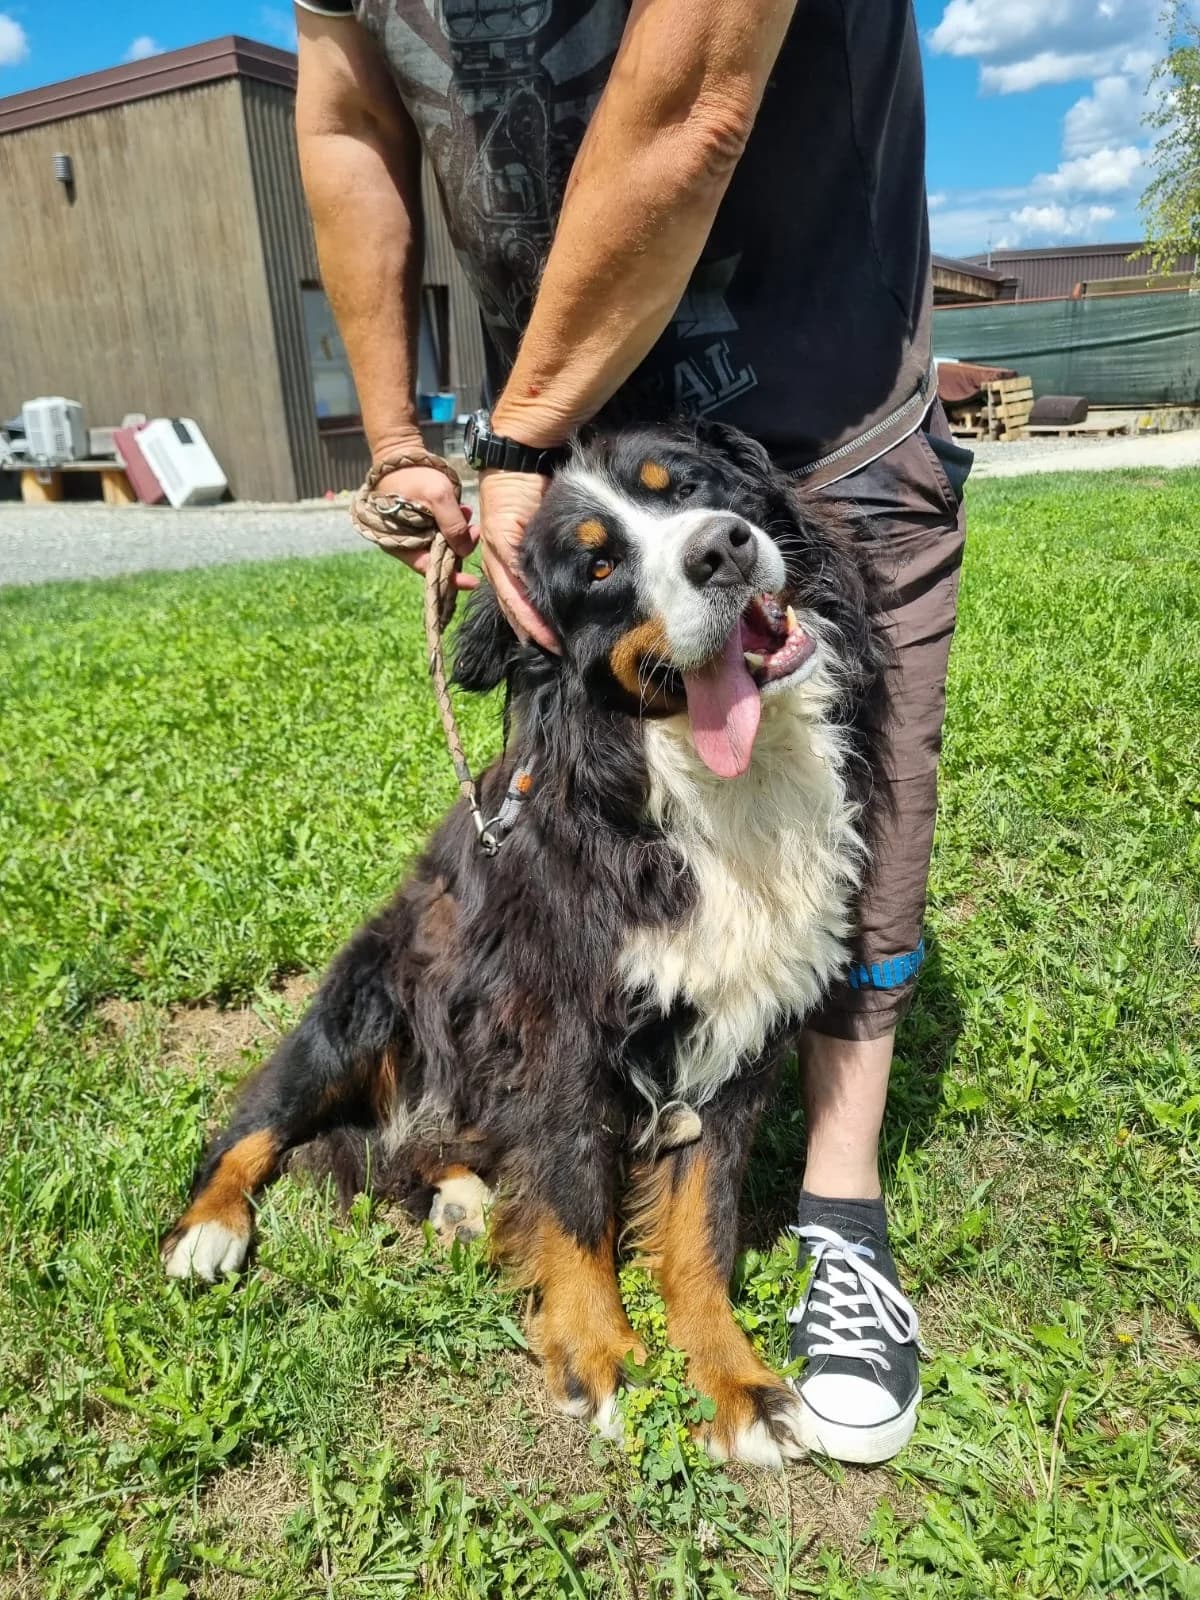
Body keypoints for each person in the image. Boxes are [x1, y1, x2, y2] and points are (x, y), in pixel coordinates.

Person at [293, 0, 969, 1465]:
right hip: (572, 400)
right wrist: (406, 439)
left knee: (854, 831)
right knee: (581, 900)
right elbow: (348, 114)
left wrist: (518, 437)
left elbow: (692, 108)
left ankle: (837, 1205)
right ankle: (577, 1193)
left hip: (809, 388)